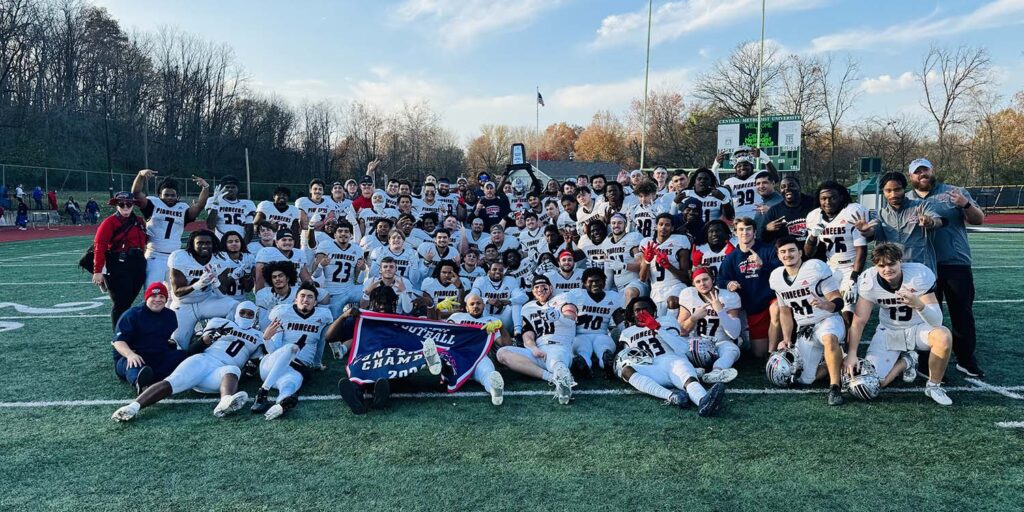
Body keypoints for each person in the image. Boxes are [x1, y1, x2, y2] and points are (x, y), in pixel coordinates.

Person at [111, 302, 262, 422]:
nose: (245, 316)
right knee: (172, 381)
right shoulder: (219, 323)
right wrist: (206, 340)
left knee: (233, 369)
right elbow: (193, 350)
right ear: (236, 313)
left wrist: (249, 371)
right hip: (203, 360)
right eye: (242, 312)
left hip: (218, 376)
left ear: (255, 317)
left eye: (250, 314)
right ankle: (132, 407)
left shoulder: (259, 336)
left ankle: (224, 403)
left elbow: (250, 370)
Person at [845, 243, 954, 405]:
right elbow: (859, 321)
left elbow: (937, 321)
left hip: (918, 330)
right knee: (873, 383)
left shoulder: (918, 275)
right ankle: (908, 361)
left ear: (900, 261)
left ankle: (934, 386)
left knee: (943, 335)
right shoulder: (869, 281)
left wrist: (918, 304)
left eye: (891, 264)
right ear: (875, 266)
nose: (887, 269)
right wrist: (852, 353)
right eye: (881, 265)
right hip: (889, 331)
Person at [907, 158, 985, 378]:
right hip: (922, 266)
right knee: (926, 315)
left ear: (932, 171)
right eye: (917, 171)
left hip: (954, 263)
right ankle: (925, 361)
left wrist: (965, 204)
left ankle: (966, 359)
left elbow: (978, 219)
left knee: (962, 314)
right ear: (911, 176)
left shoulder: (953, 192)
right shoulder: (907, 200)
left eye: (925, 170)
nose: (922, 174)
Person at [614, 296, 727, 416]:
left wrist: (657, 328)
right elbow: (626, 359)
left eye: (645, 309)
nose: (642, 312)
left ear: (653, 311)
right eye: (637, 310)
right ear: (632, 314)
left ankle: (703, 402)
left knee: (686, 374)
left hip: (672, 361)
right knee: (626, 370)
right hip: (651, 368)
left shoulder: (666, 321)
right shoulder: (627, 333)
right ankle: (672, 396)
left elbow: (682, 347)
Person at [769, 236, 846, 406]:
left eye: (791, 250)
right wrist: (787, 338)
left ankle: (835, 387)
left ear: (800, 252)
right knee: (805, 379)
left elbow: (838, 300)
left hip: (828, 319)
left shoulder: (814, 268)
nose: (787, 255)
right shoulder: (776, 278)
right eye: (783, 252)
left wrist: (826, 305)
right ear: (778, 255)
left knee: (828, 337)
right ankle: (839, 360)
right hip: (805, 328)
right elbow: (785, 312)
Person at [250, 283, 337, 420]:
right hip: (272, 365)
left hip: (296, 370)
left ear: (315, 302)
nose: (305, 300)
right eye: (302, 296)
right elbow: (273, 350)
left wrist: (317, 362)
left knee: (289, 387)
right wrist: (266, 338)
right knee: (292, 347)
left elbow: (321, 342)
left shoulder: (323, 316)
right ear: (295, 299)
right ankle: (262, 392)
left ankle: (282, 404)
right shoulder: (283, 312)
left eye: (310, 297)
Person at [496, 276, 577, 405]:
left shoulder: (563, 299)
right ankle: (553, 378)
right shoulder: (528, 308)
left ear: (551, 288)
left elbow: (571, 318)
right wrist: (533, 348)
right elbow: (528, 335)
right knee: (502, 353)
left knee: (556, 363)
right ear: (533, 291)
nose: (540, 289)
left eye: (543, 286)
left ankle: (562, 379)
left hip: (559, 347)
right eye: (536, 287)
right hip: (540, 350)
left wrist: (559, 316)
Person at [132, 170, 211, 287]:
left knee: (174, 293)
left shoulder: (183, 208)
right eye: (166, 195)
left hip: (175, 256)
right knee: (152, 291)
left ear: (177, 196)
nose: (169, 198)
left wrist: (205, 187)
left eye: (172, 195)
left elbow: (200, 205)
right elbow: (136, 193)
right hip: (155, 256)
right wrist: (140, 175)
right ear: (159, 195)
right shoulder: (152, 204)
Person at [716, 217, 781, 358]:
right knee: (758, 353)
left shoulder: (767, 249)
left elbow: (782, 269)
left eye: (748, 229)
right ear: (735, 233)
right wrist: (729, 284)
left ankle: (773, 354)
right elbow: (720, 280)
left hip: (770, 299)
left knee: (777, 309)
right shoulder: (731, 258)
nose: (745, 232)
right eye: (741, 229)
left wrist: (762, 264)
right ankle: (769, 350)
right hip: (752, 306)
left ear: (755, 232)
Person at [804, 181, 868, 325]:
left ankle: (849, 346)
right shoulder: (814, 216)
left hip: (850, 266)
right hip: (830, 267)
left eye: (832, 197)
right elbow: (808, 253)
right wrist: (813, 235)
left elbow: (861, 249)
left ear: (841, 198)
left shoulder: (852, 212)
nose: (827, 202)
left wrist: (853, 277)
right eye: (823, 198)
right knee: (825, 309)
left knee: (847, 310)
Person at [853, 171, 941, 272]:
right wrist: (865, 231)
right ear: (883, 191)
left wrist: (930, 221)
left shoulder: (921, 206)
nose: (893, 194)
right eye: (888, 190)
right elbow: (873, 230)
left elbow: (938, 221)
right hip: (891, 271)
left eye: (897, 189)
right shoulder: (880, 214)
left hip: (921, 269)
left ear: (904, 189)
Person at [166, 230, 239, 349]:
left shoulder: (220, 258)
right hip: (183, 305)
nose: (204, 246)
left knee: (235, 306)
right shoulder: (180, 257)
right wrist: (198, 284)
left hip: (206, 301)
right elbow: (178, 293)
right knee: (178, 343)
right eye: (199, 243)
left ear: (213, 244)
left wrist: (215, 281)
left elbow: (222, 294)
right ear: (192, 244)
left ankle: (224, 342)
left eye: (208, 243)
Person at [111, 282, 188, 394]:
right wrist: (130, 354)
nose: (157, 299)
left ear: (166, 299)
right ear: (146, 297)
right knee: (135, 365)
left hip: (156, 354)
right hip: (134, 355)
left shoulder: (170, 315)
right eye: (154, 296)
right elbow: (118, 342)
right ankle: (141, 383)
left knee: (183, 356)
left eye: (161, 296)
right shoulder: (132, 314)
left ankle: (154, 376)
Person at [92, 192, 148, 328]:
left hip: (138, 263)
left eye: (128, 204)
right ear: (116, 205)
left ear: (133, 204)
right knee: (121, 303)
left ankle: (126, 332)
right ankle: (119, 337)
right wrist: (97, 271)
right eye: (121, 204)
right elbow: (100, 246)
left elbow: (145, 242)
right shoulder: (109, 222)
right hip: (117, 264)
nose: (125, 207)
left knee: (128, 301)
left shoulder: (139, 221)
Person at [676, 267, 742, 384]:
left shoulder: (728, 297)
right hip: (694, 342)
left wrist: (720, 311)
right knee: (676, 346)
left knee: (732, 349)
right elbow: (681, 331)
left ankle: (716, 372)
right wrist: (693, 318)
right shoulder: (688, 295)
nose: (702, 284)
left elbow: (734, 333)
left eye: (705, 279)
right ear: (693, 284)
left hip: (719, 342)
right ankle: (693, 371)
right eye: (698, 281)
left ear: (713, 279)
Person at [560, 268, 623, 378]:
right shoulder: (575, 295)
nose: (595, 284)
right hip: (582, 335)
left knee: (599, 348)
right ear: (584, 283)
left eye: (598, 281)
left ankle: (589, 363)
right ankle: (598, 362)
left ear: (604, 281)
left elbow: (620, 321)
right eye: (591, 281)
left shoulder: (612, 296)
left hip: (599, 334)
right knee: (596, 348)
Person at [762, 175, 815, 244]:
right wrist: (767, 229)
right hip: (787, 252)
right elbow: (763, 237)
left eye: (791, 185)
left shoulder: (813, 203)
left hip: (812, 249)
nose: (787, 188)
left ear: (799, 187)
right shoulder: (774, 210)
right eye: (783, 187)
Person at [205, 175, 256, 241]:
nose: (230, 189)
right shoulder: (213, 200)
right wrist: (215, 204)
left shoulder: (247, 204)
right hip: (221, 240)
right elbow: (210, 225)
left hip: (240, 240)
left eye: (233, 187)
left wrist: (244, 245)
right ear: (222, 188)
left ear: (238, 189)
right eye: (227, 187)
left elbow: (249, 229)